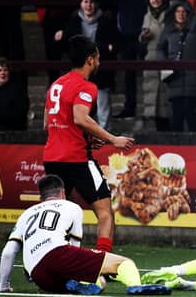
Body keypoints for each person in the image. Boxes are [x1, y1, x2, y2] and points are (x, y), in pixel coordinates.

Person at [0, 174, 170, 296]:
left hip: (38, 275)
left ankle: (82, 284)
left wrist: (3, 287)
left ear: (42, 197)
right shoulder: (71, 207)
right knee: (125, 263)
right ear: (62, 192)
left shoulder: (27, 213)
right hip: (58, 255)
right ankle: (135, 286)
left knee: (99, 282)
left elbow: (9, 251)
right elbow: (74, 244)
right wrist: (76, 271)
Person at [43, 35, 135, 253]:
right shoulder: (87, 87)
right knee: (105, 212)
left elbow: (48, 124)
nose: (100, 62)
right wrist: (112, 139)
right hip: (77, 159)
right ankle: (102, 264)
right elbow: (80, 117)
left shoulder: (56, 85)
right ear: (90, 60)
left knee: (58, 215)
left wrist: (84, 136)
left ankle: (51, 259)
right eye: (98, 58)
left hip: (52, 158)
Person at [55, 0, 119, 130]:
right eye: (85, 1)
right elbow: (68, 45)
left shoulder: (105, 21)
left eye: (91, 2)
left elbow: (113, 45)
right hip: (79, 71)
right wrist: (61, 35)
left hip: (100, 71)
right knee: (79, 106)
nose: (88, 5)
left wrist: (104, 49)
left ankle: (105, 135)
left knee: (103, 104)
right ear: (81, 4)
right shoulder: (74, 22)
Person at [114, 0, 158, 119]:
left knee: (150, 74)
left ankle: (151, 109)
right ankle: (129, 108)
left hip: (147, 37)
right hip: (127, 37)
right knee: (129, 75)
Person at [157, 0, 196, 132]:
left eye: (184, 11)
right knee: (176, 116)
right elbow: (160, 49)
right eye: (178, 11)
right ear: (173, 13)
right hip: (174, 79)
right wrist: (165, 63)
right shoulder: (167, 31)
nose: (181, 14)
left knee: (192, 116)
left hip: (193, 80)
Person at [140, 0, 170, 130]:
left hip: (166, 58)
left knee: (166, 97)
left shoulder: (170, 14)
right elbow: (142, 36)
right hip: (151, 58)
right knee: (153, 97)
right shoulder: (147, 16)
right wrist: (144, 36)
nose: (155, 0)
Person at [0, 57, 29, 130]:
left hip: (13, 132)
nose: (3, 73)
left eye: (5, 70)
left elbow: (20, 114)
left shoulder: (18, 90)